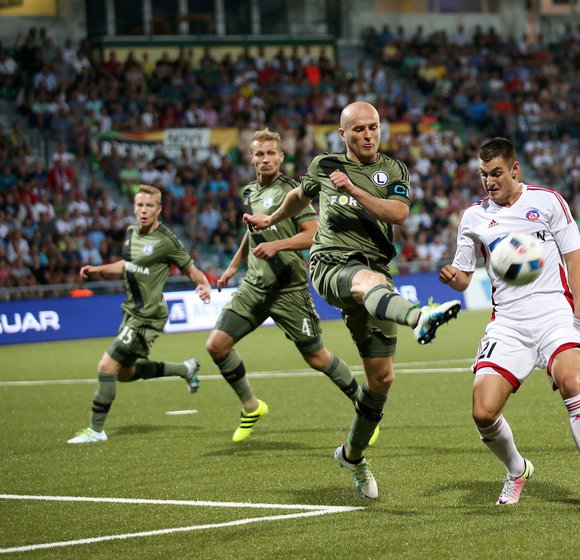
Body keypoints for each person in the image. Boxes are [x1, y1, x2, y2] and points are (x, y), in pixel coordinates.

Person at [244, 101, 460, 499]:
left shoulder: (394, 170)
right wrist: (270, 220)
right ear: (342, 135)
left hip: (376, 273)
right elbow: (297, 196)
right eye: (358, 129)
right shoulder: (324, 164)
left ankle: (352, 455)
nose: (367, 134)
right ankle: (420, 317)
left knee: (381, 379)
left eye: (373, 127)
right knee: (367, 281)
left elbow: (397, 213)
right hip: (330, 263)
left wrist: (354, 189)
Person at [438, 137, 580, 509]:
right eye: (483, 175)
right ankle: (517, 470)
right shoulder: (474, 217)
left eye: (496, 173)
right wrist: (454, 278)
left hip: (554, 314)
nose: (489, 181)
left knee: (570, 380)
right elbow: (465, 276)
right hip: (508, 324)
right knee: (482, 412)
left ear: (515, 169)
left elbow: (573, 256)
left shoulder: (547, 201)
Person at [206, 128, 372, 443]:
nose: (265, 159)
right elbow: (252, 231)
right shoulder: (249, 192)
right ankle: (252, 406)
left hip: (289, 290)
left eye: (271, 153)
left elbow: (311, 234)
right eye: (259, 154)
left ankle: (364, 407)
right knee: (216, 346)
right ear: (251, 158)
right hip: (254, 288)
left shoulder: (294, 191)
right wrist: (232, 266)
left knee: (317, 358)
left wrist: (278, 246)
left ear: (281, 157)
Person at [68, 185, 211, 444]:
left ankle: (96, 430)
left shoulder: (167, 240)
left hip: (148, 316)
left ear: (159, 209)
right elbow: (127, 265)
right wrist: (99, 269)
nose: (143, 211)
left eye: (149, 206)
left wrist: (202, 284)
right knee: (124, 373)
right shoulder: (131, 232)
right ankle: (185, 368)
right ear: (134, 207)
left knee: (106, 366)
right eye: (140, 205)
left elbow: (190, 268)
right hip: (131, 311)